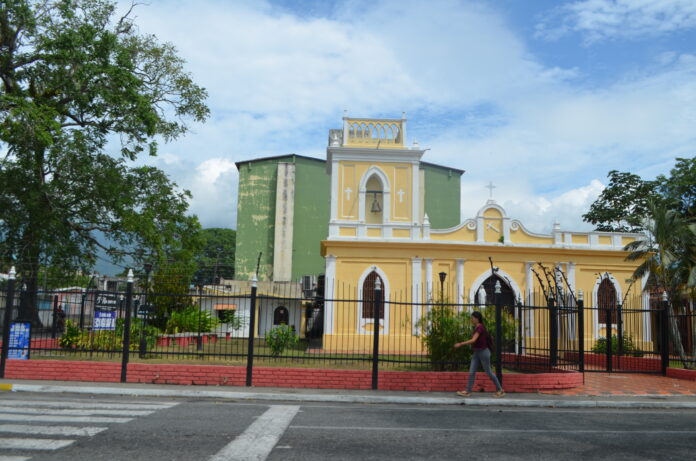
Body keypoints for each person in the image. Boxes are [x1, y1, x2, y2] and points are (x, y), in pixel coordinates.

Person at [453, 311, 505, 397]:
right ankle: (468, 391)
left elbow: (473, 340)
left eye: (473, 318)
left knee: (488, 372)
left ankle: (500, 390)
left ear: (477, 319)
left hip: (483, 352)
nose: (471, 319)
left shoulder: (480, 328)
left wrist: (461, 344)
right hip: (477, 352)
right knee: (472, 372)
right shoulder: (477, 327)